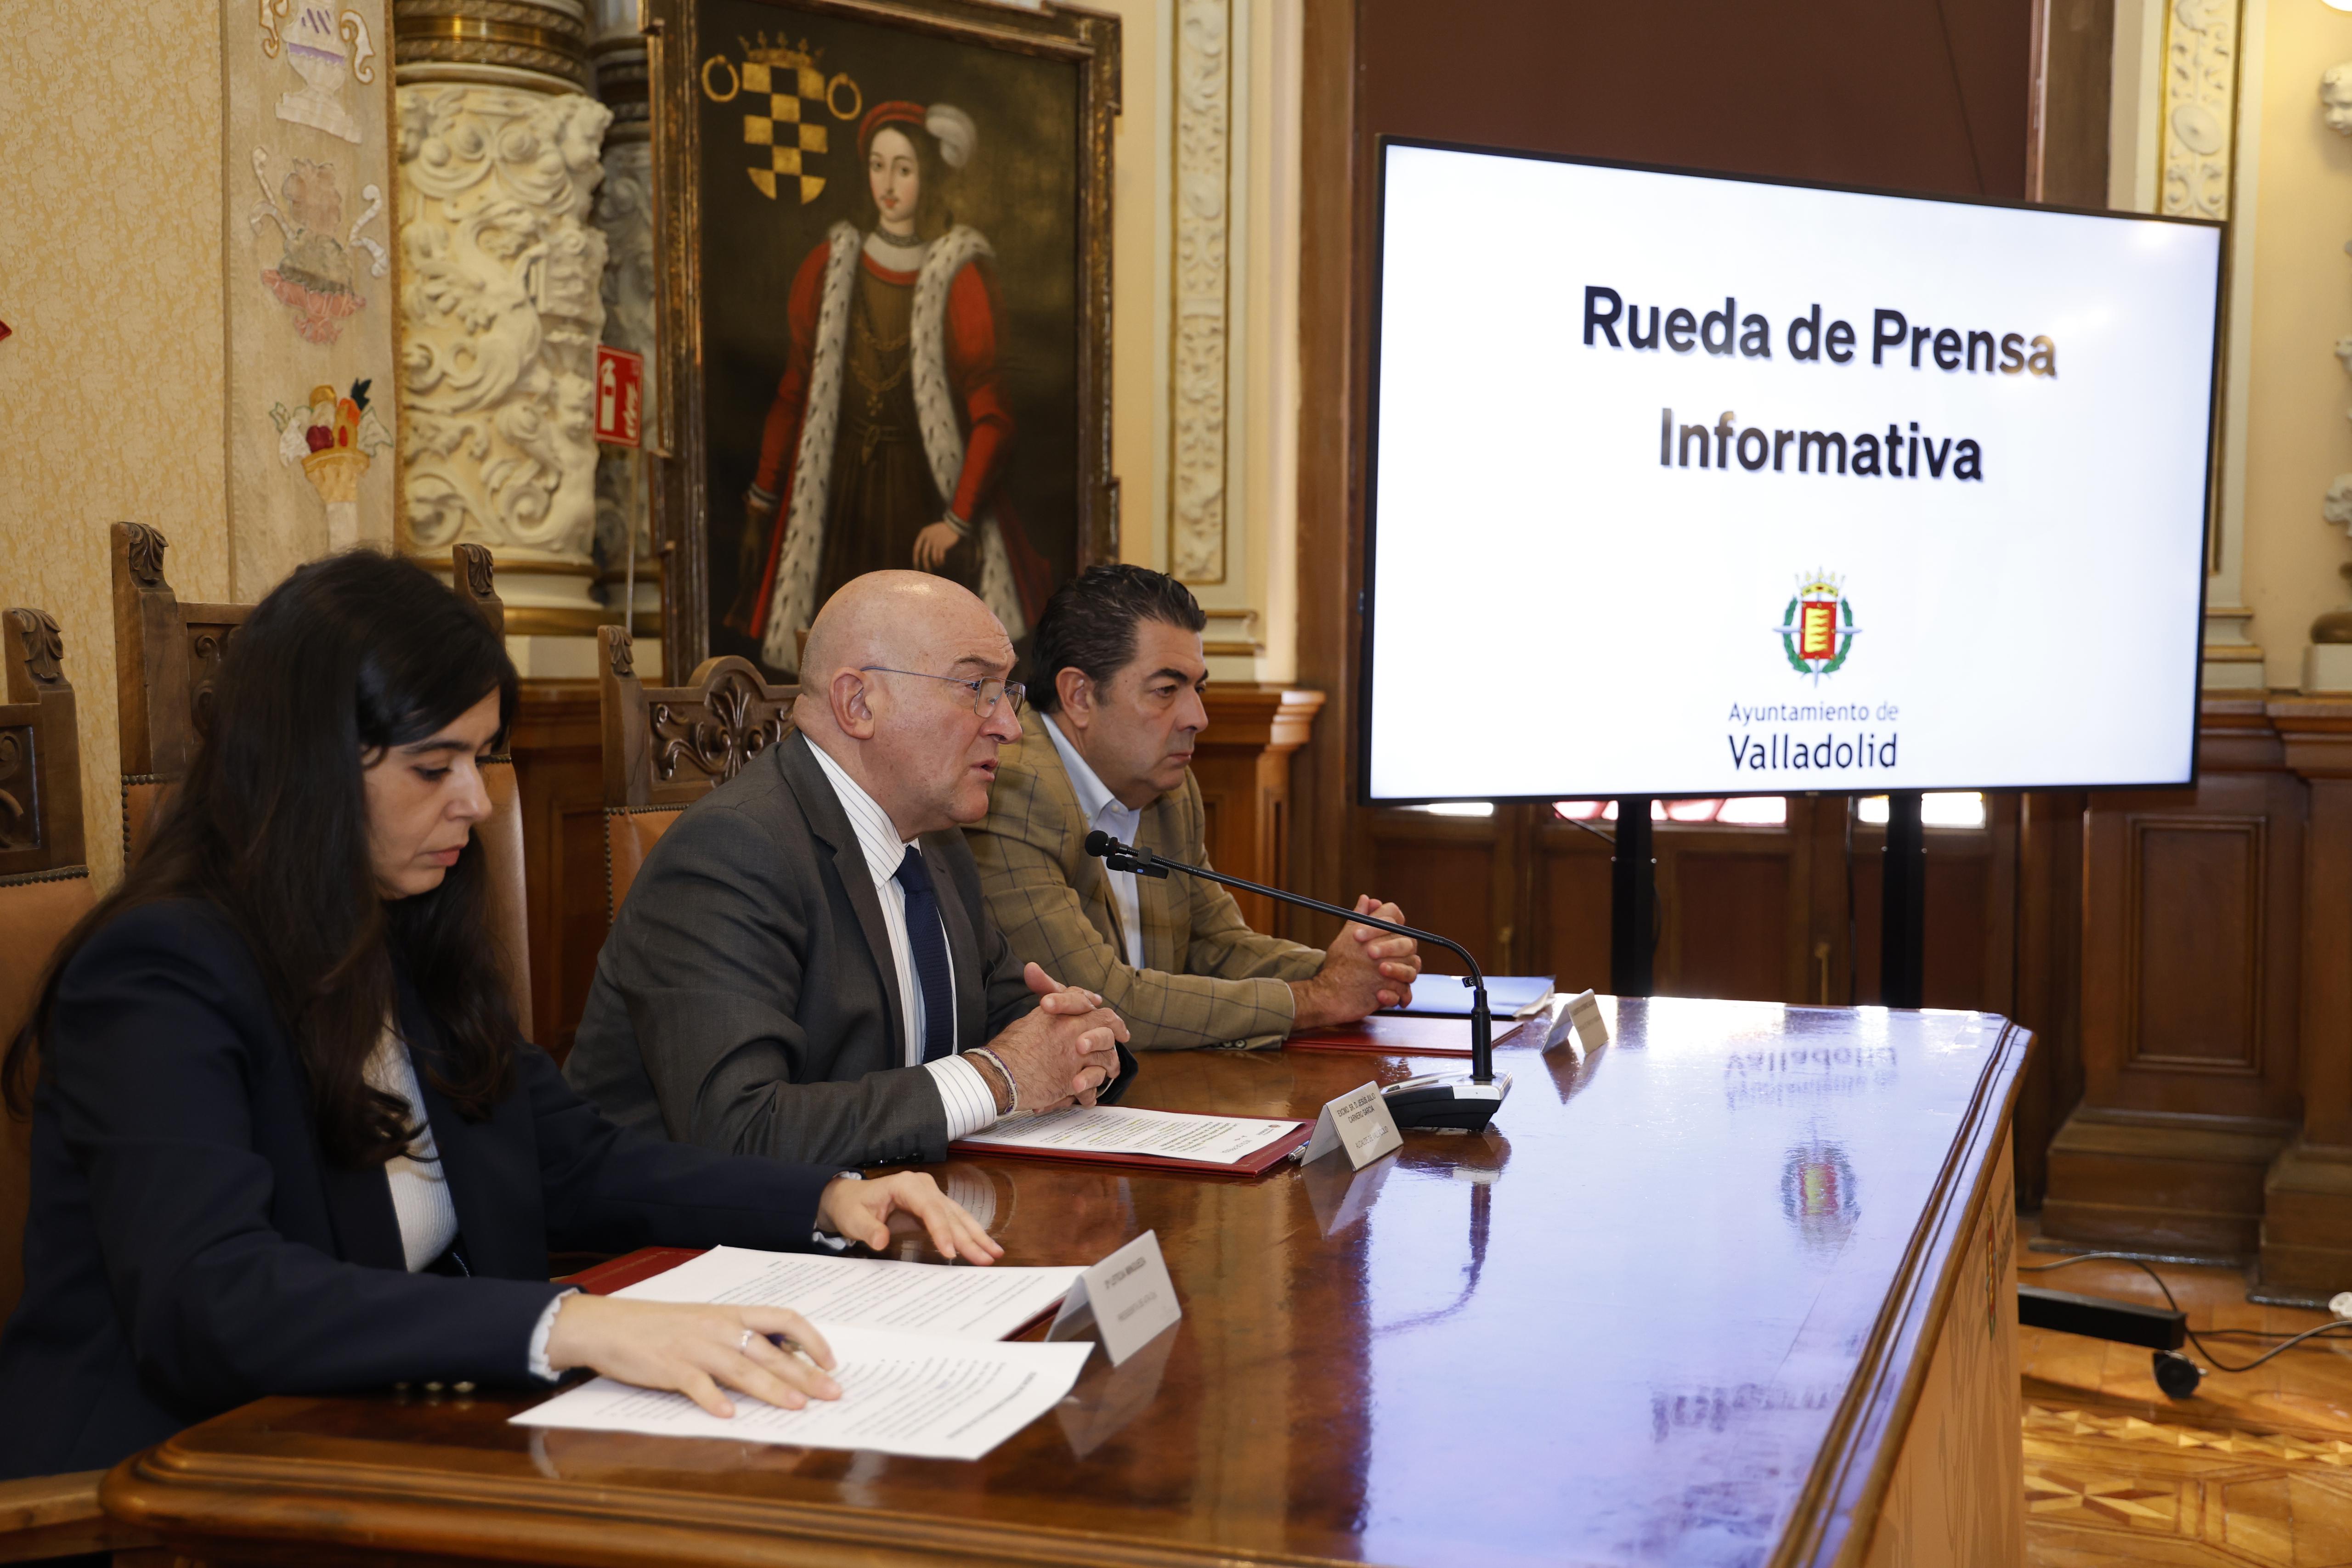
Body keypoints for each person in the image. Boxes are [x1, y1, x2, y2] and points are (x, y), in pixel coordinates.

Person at [0, 552, 1001, 1481]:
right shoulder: (158, 972)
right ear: (307, 768)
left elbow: (573, 1164)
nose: (477, 802)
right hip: (168, 1484)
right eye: (434, 767)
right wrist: (565, 1324)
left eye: (480, 758)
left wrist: (820, 1198)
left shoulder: (403, 927)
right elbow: (214, 1298)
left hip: (399, 1432)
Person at [566, 570, 1131, 1168]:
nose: (1009, 727)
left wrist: (1080, 1043)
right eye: (976, 688)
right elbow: (738, 1131)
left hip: (903, 1200)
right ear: (858, 703)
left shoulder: (937, 843)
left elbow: (1015, 1021)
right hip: (691, 1224)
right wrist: (996, 1078)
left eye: (1006, 692)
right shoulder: (729, 853)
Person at [967, 565, 1423, 1051]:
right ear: (1079, 696)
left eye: (1197, 689)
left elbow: (1216, 946)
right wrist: (1321, 996)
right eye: (1166, 690)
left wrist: (1352, 968)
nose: (1198, 718)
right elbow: (1103, 1003)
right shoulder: (1014, 790)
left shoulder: (1167, 790)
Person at [724, 99, 1051, 676]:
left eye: (904, 168)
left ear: (928, 176)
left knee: (923, 662)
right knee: (840, 655)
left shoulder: (959, 273)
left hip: (920, 497)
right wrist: (762, 499)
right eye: (878, 166)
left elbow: (994, 418)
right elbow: (794, 393)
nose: (889, 184)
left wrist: (956, 520)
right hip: (840, 493)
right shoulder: (830, 266)